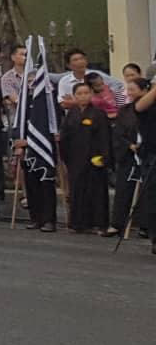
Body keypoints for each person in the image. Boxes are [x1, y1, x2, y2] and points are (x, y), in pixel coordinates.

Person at [61, 81, 110, 233]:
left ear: (91, 94)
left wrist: (103, 157)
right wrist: (65, 157)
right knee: (77, 191)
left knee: (96, 191)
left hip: (94, 158)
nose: (83, 96)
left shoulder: (99, 114)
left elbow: (105, 138)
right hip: (75, 159)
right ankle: (78, 223)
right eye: (79, 94)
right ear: (74, 96)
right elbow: (65, 137)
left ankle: (98, 223)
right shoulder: (71, 114)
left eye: (86, 93)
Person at [106, 75, 148, 239]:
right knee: (123, 190)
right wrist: (129, 145)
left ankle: (146, 225)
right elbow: (118, 133)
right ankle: (118, 223)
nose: (129, 93)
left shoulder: (150, 109)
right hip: (128, 155)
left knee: (147, 191)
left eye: (132, 89)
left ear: (144, 91)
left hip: (148, 155)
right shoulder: (124, 110)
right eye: (128, 89)